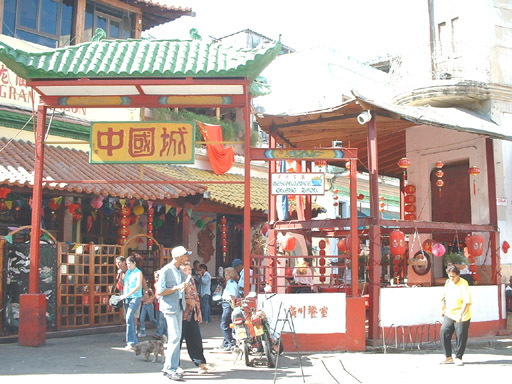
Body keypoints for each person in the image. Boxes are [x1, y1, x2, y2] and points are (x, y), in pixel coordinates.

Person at [157, 246, 191, 381]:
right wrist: (177, 288)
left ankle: (170, 367)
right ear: (177, 256)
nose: (186, 258)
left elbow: (183, 287)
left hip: (179, 306)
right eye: (184, 255)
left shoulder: (180, 271)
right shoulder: (166, 270)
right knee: (175, 337)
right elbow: (160, 291)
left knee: (176, 337)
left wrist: (185, 285)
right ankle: (171, 368)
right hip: (170, 307)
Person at [180, 262, 214, 374]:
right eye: (186, 270)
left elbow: (196, 297)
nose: (188, 272)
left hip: (192, 313)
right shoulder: (178, 281)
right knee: (178, 341)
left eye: (190, 270)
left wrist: (199, 313)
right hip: (181, 314)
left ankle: (200, 362)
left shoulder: (192, 281)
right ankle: (175, 365)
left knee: (195, 339)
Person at [440, 264, 472, 366]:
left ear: (458, 275)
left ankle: (458, 357)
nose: (451, 278)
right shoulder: (448, 282)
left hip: (462, 313)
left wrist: (460, 314)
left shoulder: (464, 284)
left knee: (461, 336)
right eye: (449, 276)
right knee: (444, 332)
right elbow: (444, 296)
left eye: (453, 276)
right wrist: (443, 307)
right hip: (449, 312)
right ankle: (448, 357)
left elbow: (466, 301)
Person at [119, 255, 143, 349]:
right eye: (127, 264)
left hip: (135, 297)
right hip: (127, 297)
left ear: (134, 263)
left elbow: (138, 286)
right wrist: (121, 274)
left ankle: (131, 342)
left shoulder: (138, 272)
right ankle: (133, 341)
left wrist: (127, 294)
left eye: (129, 264)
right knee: (129, 319)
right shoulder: (127, 272)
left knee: (129, 317)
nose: (128, 265)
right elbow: (123, 284)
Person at [219, 267, 239, 350]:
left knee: (224, 324)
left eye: (227, 274)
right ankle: (226, 342)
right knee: (228, 324)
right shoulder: (233, 283)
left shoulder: (230, 283)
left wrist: (233, 307)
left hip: (228, 304)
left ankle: (230, 342)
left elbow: (232, 296)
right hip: (228, 304)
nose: (225, 276)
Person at [153, 270, 168, 340]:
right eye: (155, 277)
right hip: (157, 303)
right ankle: (164, 333)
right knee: (159, 319)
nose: (156, 278)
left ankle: (159, 333)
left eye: (157, 277)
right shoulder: (156, 283)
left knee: (161, 320)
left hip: (162, 303)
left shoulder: (162, 284)